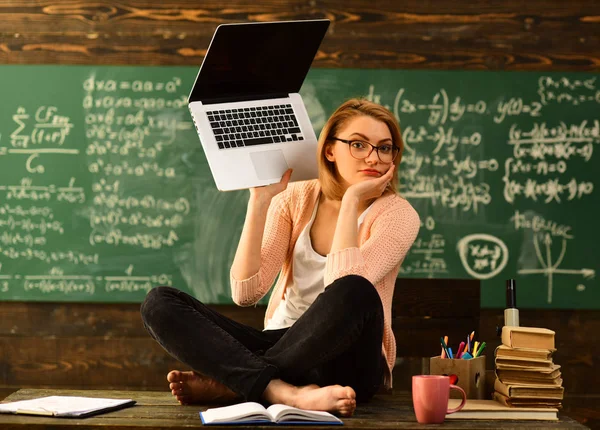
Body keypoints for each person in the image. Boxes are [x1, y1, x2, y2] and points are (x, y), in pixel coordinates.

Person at [140, 98, 420, 417]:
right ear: (330, 150)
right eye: (358, 144)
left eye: (385, 148)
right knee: (158, 303)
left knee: (357, 290)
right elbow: (246, 293)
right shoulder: (297, 197)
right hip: (280, 343)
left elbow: (343, 289)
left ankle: (237, 384)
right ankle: (279, 390)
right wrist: (259, 202)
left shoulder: (398, 215)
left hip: (347, 362)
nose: (374, 157)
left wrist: (352, 198)